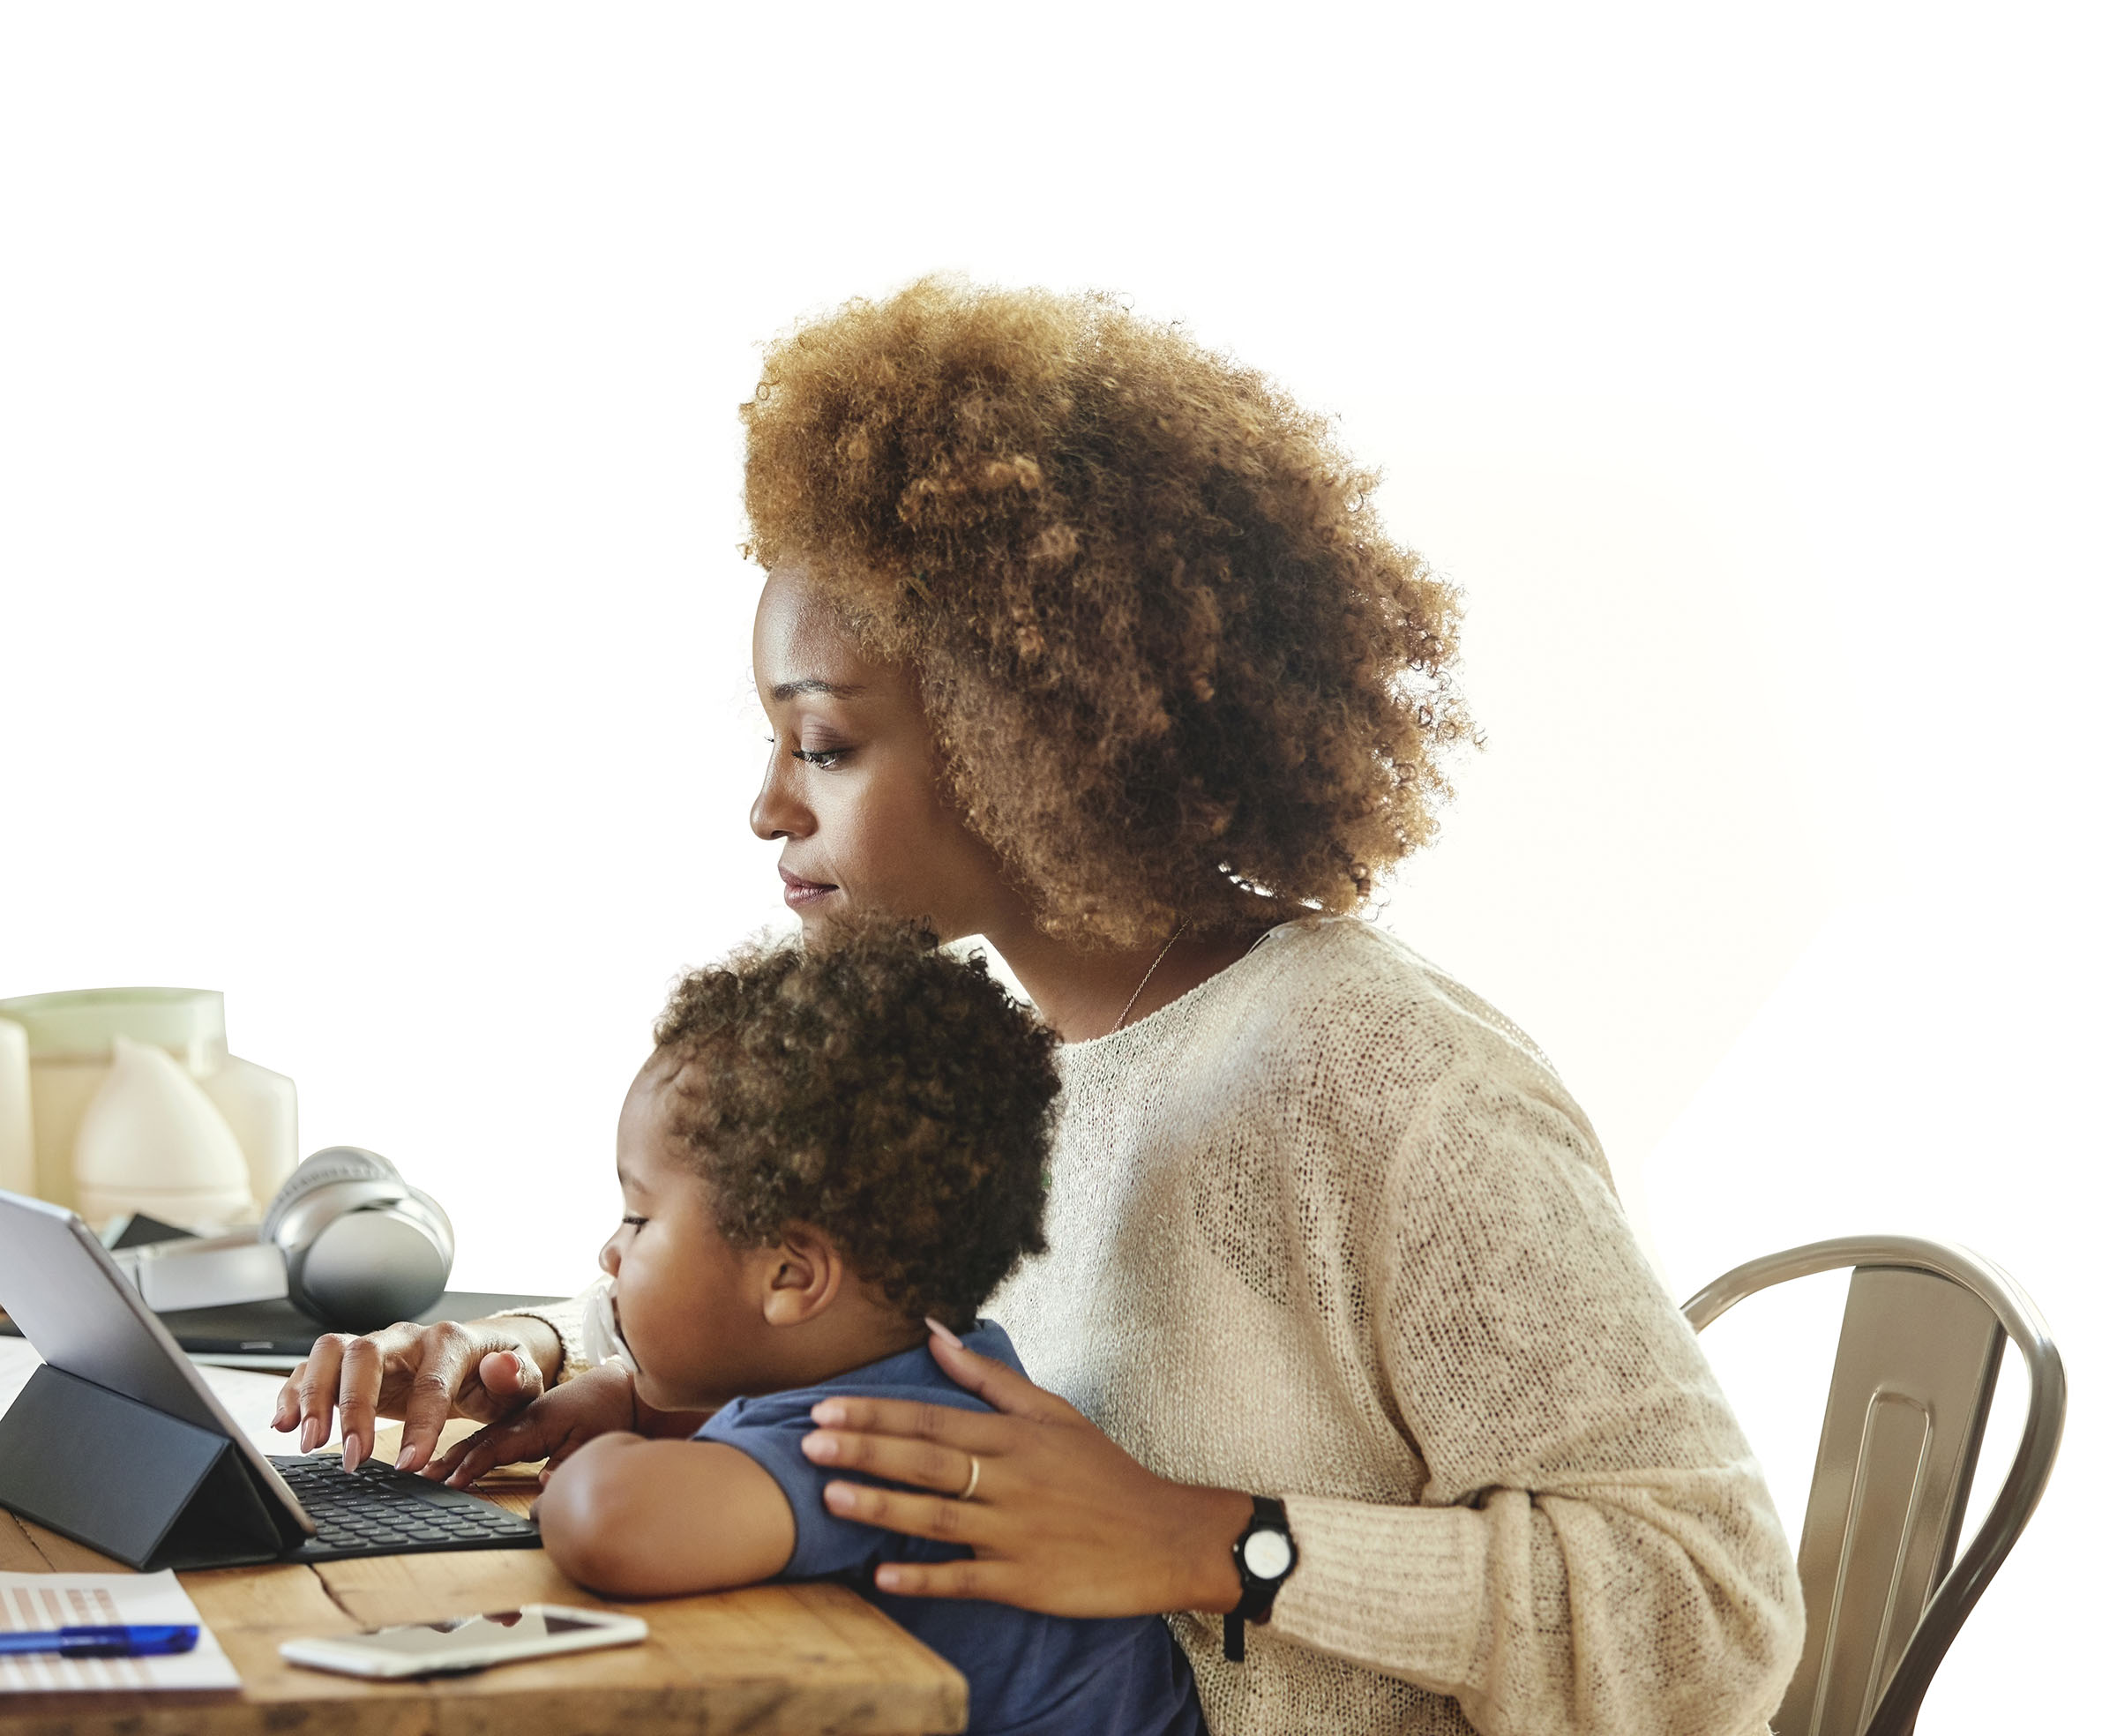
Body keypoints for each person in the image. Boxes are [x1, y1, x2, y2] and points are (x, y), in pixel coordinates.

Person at [277, 280, 1804, 1735]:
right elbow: (822, 1305)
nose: (763, 808)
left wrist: (1218, 1543)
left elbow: (1716, 1614)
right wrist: (530, 1354)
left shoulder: (1378, 1075)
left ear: (1032, 729)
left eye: (823, 745)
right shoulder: (1006, 1060)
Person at [497, 918, 1201, 1735]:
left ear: (792, 1276)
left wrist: (606, 1464)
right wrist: (635, 1408)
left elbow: (609, 1524)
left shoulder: (876, 1440)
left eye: (638, 1216)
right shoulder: (957, 1369)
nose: (610, 1254)